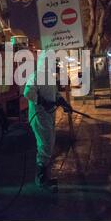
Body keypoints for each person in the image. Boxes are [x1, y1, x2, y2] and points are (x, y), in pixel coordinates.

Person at [24, 50, 72, 191]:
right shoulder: (36, 76)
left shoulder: (49, 77)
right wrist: (43, 102)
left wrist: (63, 103)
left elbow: (55, 94)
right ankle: (41, 180)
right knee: (45, 145)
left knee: (49, 143)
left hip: (48, 115)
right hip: (39, 116)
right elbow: (28, 92)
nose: (54, 65)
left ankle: (44, 176)